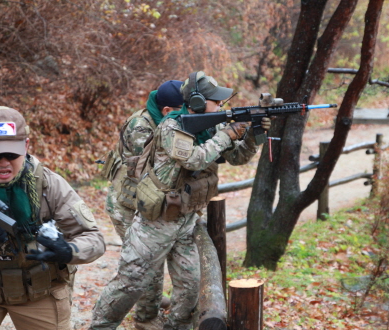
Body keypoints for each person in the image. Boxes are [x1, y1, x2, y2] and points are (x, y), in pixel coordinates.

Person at [90, 71, 271, 330]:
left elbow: (237, 158)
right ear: (196, 103)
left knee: (190, 286)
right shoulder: (171, 126)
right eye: (216, 101)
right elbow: (194, 159)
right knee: (131, 283)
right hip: (156, 221)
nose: (221, 106)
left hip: (185, 218)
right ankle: (100, 326)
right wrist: (229, 134)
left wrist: (252, 134)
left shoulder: (212, 125)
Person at [0, 106, 106, 330]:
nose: (4, 162)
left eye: (12, 154)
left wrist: (68, 250)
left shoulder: (49, 184)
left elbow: (95, 239)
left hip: (40, 291)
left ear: (26, 146)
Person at [101, 80, 184, 326]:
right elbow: (156, 170)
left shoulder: (159, 119)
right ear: (168, 111)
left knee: (149, 261)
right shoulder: (141, 126)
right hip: (126, 204)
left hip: (142, 201)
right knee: (147, 264)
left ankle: (153, 300)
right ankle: (146, 319)